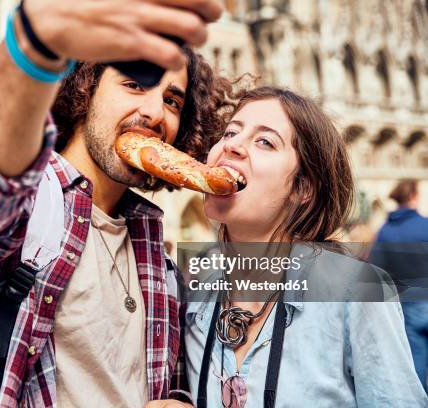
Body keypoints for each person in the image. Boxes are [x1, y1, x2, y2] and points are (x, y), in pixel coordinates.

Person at [0, 0, 227, 406]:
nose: (155, 112)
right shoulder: (30, 210)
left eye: (172, 101)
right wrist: (34, 46)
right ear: (84, 88)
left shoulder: (160, 260)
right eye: (134, 84)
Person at [183, 87, 428, 407]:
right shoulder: (193, 292)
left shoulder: (356, 292)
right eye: (231, 131)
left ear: (303, 188)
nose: (232, 145)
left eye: (265, 141)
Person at [371, 179, 428, 392]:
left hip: (408, 307)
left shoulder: (385, 232)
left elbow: (375, 272)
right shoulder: (426, 225)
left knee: (417, 362)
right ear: (414, 196)